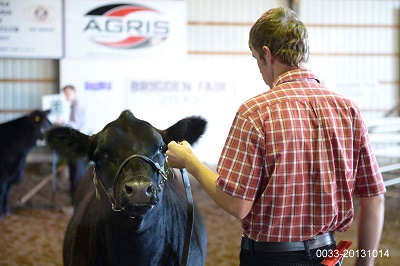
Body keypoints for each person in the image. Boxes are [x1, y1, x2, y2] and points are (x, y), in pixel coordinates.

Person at [166, 7, 385, 266]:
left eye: (256, 58)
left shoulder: (255, 113)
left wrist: (191, 162)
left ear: (267, 55)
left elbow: (238, 205)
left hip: (270, 257)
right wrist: (365, 263)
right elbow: (374, 198)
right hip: (328, 252)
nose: (259, 68)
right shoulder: (348, 110)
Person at [59, 85, 87, 204]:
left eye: (68, 92)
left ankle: (77, 199)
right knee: (73, 171)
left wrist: (63, 122)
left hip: (78, 144)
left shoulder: (78, 106)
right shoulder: (73, 105)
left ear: (74, 92)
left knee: (77, 173)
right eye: (65, 93)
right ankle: (74, 198)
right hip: (75, 143)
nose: (66, 95)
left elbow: (77, 126)